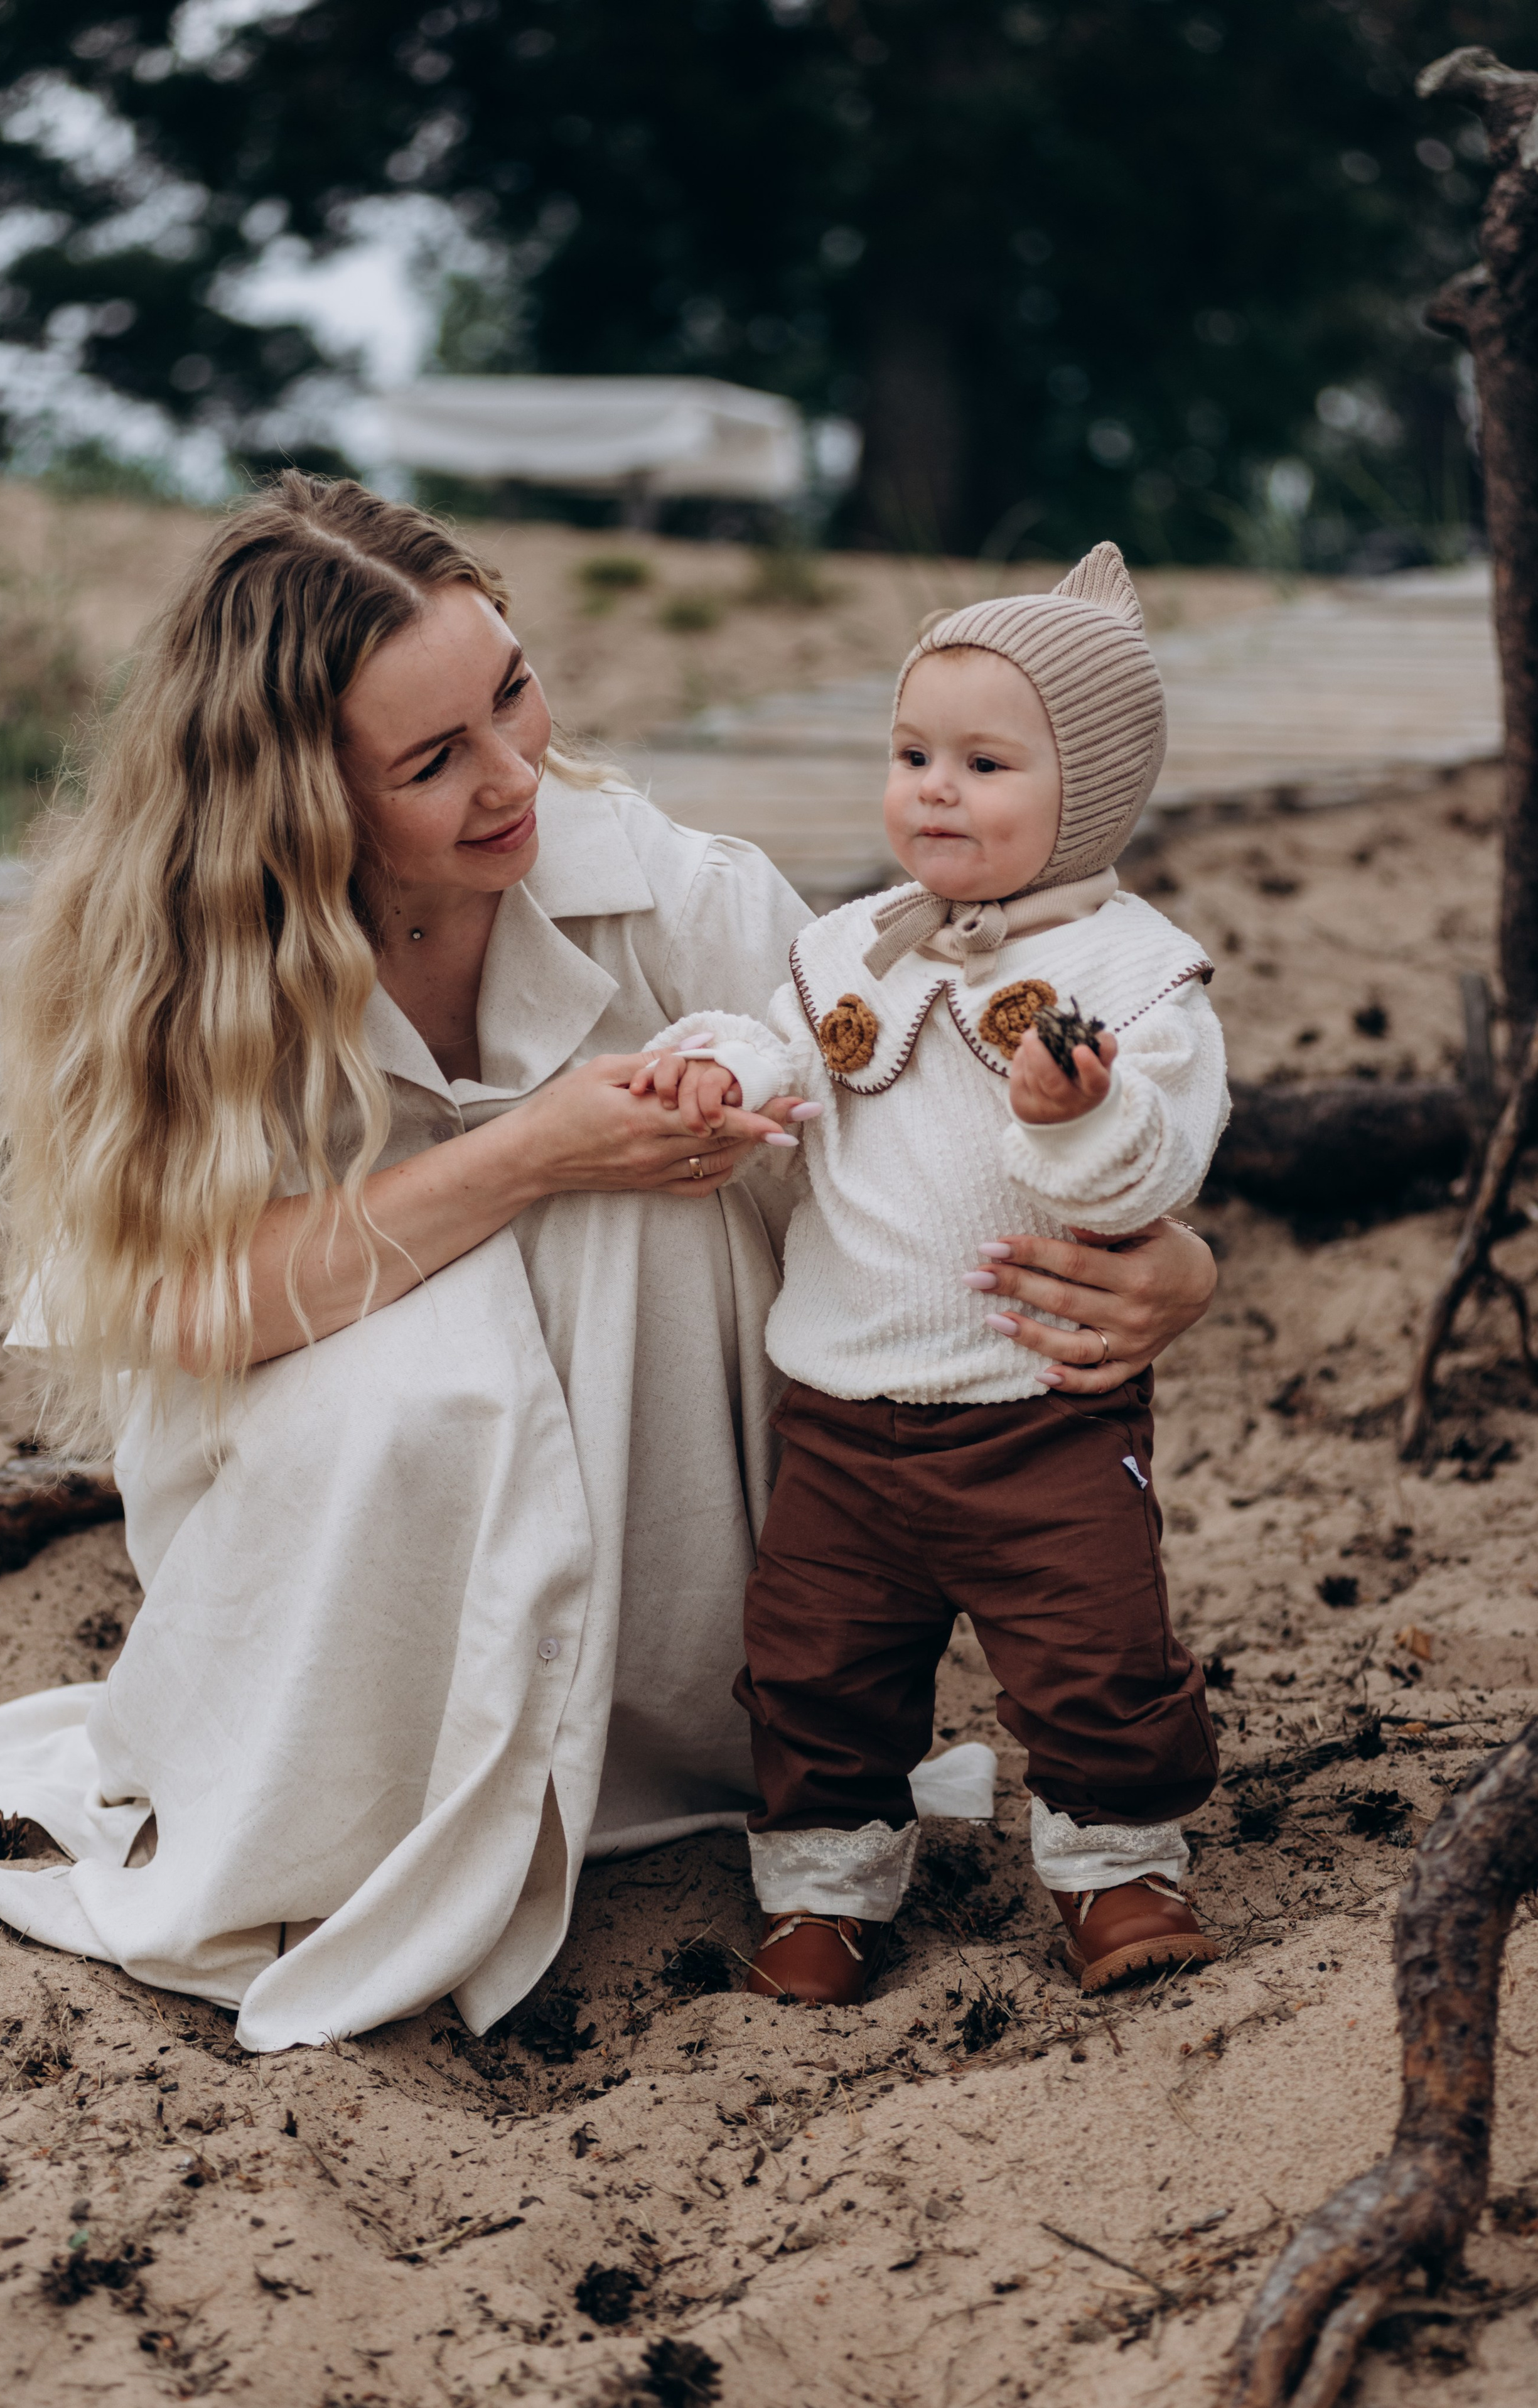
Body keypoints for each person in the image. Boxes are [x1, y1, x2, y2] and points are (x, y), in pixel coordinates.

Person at [0, 482, 1218, 2053]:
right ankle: (392, 1787)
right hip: (352, 1507)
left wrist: (1177, 1266)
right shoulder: (191, 968)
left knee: (665, 1179)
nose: (512, 767)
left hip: (686, 1500)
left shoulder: (659, 888)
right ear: (300, 805)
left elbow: (919, 1130)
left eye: (513, 690)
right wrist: (530, 1151)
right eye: (431, 761)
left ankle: (694, 1753)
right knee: (471, 1332)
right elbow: (168, 1307)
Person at [634, 544, 1229, 2006]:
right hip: (840, 1413)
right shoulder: (852, 945)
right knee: (817, 1671)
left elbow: (1162, 1162)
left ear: (1085, 788)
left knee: (1093, 1652)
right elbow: (785, 1039)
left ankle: (1115, 1865)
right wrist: (723, 1064)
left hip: (1038, 1408)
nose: (934, 789)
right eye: (911, 754)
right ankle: (826, 1889)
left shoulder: (1137, 971)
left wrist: (1078, 1114)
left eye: (982, 761)